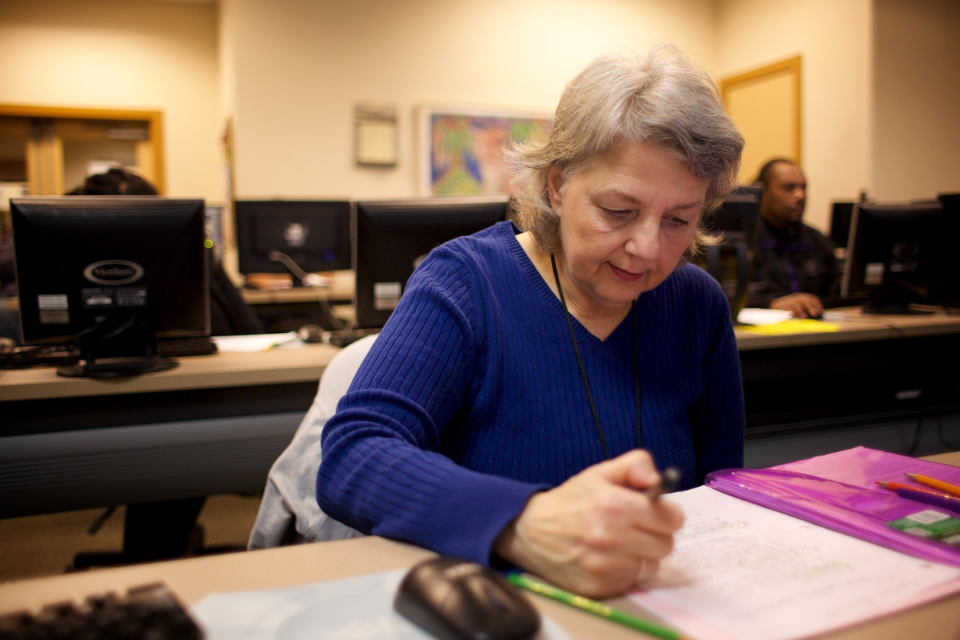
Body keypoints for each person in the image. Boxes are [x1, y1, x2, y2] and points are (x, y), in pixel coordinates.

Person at [316, 46, 746, 599]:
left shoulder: (698, 305)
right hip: (497, 609)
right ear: (557, 186)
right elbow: (355, 454)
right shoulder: (467, 284)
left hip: (655, 603)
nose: (646, 248)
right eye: (618, 211)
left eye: (679, 220)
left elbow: (721, 488)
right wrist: (521, 524)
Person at [746, 159, 840, 318]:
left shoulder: (817, 240)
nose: (800, 196)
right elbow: (727, 292)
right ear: (762, 191)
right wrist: (770, 304)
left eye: (803, 188)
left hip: (818, 331)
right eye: (789, 188)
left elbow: (836, 292)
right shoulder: (744, 240)